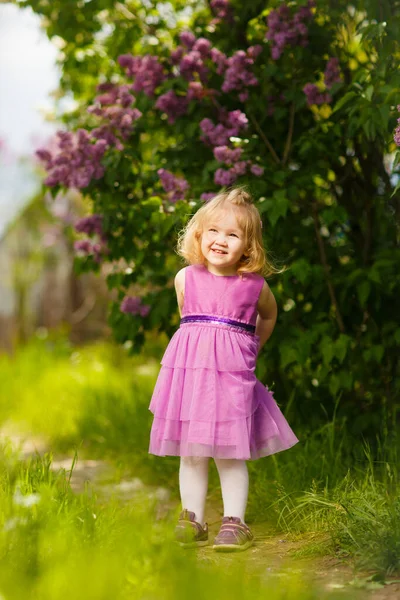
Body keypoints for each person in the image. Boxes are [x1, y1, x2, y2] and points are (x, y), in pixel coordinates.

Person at [148, 186, 299, 552]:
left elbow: (269, 314)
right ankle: (192, 519)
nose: (220, 240)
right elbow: (190, 323)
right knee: (192, 451)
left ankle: (235, 522)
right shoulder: (185, 278)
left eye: (232, 235)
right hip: (191, 379)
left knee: (229, 453)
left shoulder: (254, 286)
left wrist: (252, 345)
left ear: (247, 247)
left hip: (231, 379)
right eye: (214, 231)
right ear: (199, 234)